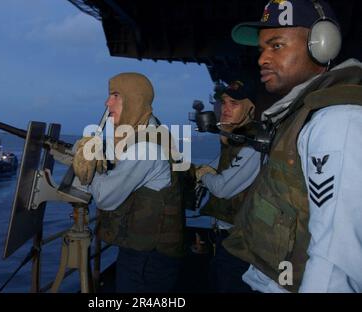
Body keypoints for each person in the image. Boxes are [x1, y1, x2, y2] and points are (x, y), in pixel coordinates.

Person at [222, 0, 362, 292]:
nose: (262, 59)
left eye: (276, 46)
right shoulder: (301, 114)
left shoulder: (338, 121)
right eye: (262, 49)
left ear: (322, 45)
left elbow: (334, 265)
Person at [72, 72, 185, 293]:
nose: (107, 102)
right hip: (148, 250)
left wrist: (89, 166)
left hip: (149, 258)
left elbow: (105, 199)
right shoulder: (149, 130)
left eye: (115, 95)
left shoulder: (147, 147)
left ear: (134, 100)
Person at [195, 81, 261, 292]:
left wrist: (202, 175)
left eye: (234, 103)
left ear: (250, 108)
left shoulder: (254, 145)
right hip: (224, 239)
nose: (225, 108)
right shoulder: (235, 139)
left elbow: (222, 187)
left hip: (241, 244)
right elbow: (214, 167)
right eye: (224, 103)